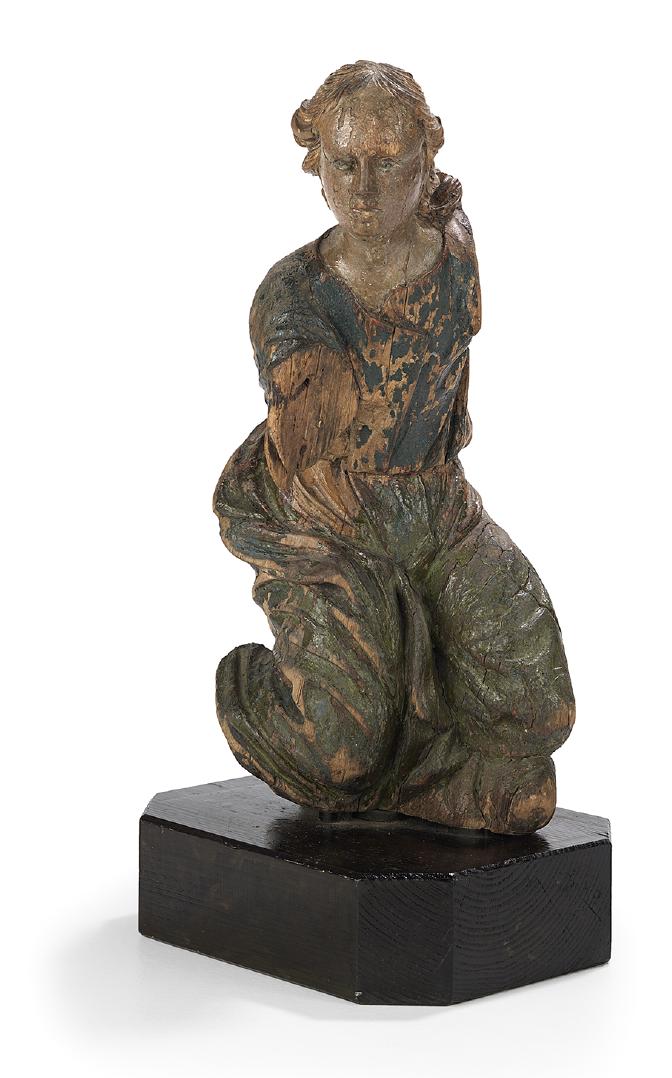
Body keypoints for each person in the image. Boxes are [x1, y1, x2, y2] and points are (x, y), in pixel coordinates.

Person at [214, 61, 575, 834]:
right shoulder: (293, 297)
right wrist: (310, 387)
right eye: (344, 164)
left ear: (426, 159)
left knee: (537, 720)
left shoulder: (454, 252)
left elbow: (450, 230)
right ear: (317, 164)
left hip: (437, 508)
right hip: (333, 521)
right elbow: (301, 430)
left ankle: (414, 758)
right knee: (337, 755)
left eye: (387, 164)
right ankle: (288, 708)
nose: (363, 189)